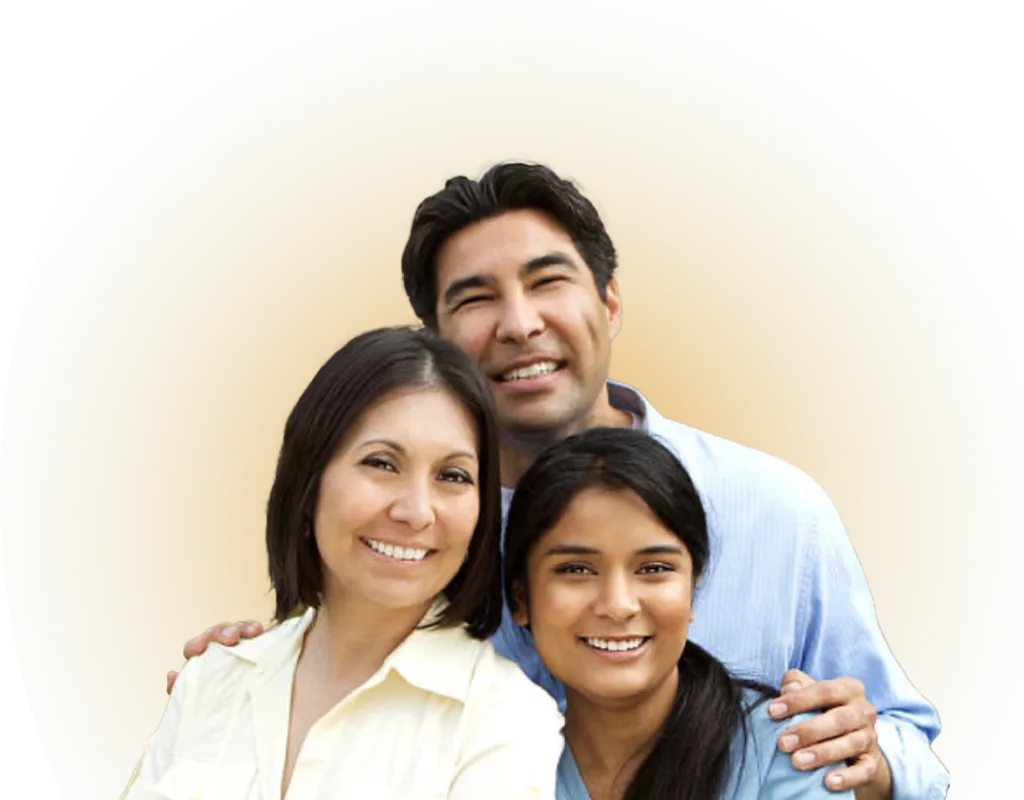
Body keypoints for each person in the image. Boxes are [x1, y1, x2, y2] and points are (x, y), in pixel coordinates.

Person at [174, 162, 948, 798]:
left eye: (549, 282)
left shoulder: (781, 512)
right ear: (438, 345)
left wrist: (877, 761)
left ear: (609, 304)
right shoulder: (425, 534)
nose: (518, 324)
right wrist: (262, 664)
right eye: (475, 299)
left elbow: (915, 748)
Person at [123, 326, 564, 800]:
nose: (416, 511)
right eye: (382, 463)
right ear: (310, 480)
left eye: (452, 476)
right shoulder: (211, 680)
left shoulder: (504, 722)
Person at [504, 426, 855, 799]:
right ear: (521, 597)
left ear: (694, 586)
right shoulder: (491, 761)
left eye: (654, 569)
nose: (619, 605)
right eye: (576, 569)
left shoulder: (787, 750)